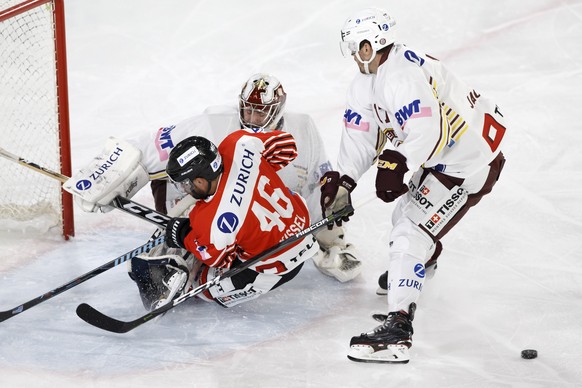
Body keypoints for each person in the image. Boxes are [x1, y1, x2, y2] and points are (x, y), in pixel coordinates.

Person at [64, 73, 361, 311]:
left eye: (261, 113)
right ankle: (171, 255)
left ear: (278, 110)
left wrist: (182, 235)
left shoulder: (235, 147)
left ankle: (176, 270)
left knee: (215, 281)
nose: (252, 118)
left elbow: (217, 251)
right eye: (248, 109)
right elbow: (154, 147)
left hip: (263, 253)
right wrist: (110, 171)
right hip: (282, 219)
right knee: (183, 192)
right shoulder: (230, 134)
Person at [320, 8, 507, 363]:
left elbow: (427, 130)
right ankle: (423, 262)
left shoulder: (402, 76)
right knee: (404, 219)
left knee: (409, 230)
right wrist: (344, 179)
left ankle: (398, 330)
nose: (354, 56)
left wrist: (400, 164)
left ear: (371, 44)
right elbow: (362, 136)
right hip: (446, 157)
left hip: (469, 163)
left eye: (357, 47)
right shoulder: (369, 79)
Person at [159, 132, 318, 308]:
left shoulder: (212, 221)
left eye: (185, 184)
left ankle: (194, 282)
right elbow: (287, 146)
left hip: (276, 268)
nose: (185, 189)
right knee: (229, 235)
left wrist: (183, 235)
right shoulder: (238, 143)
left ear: (200, 181)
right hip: (303, 228)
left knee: (202, 286)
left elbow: (219, 260)